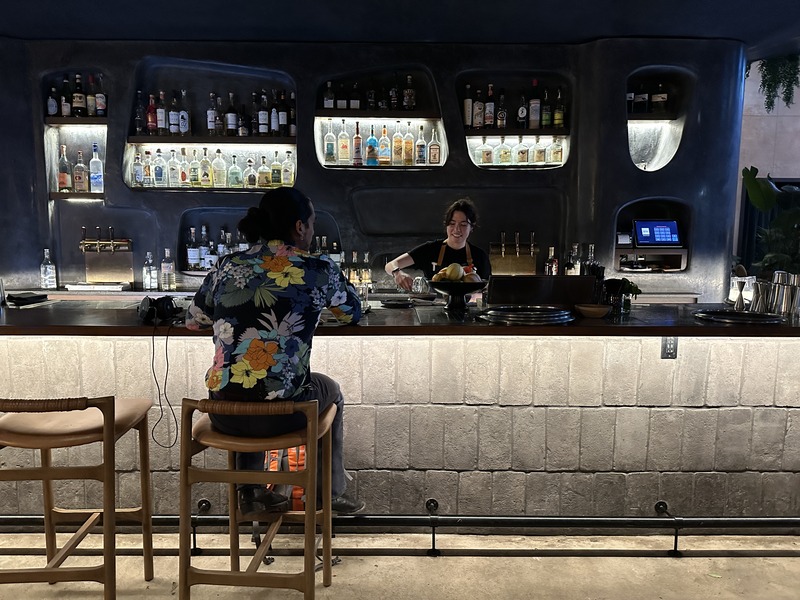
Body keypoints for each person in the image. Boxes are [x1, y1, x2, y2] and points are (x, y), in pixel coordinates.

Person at [185, 187, 365, 517]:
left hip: (224, 413)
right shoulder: (318, 268)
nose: (312, 231)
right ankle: (329, 493)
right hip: (286, 415)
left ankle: (251, 492)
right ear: (299, 227)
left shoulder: (228, 265)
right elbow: (352, 312)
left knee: (246, 385)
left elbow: (194, 319)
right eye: (311, 223)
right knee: (332, 391)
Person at [384, 197, 492, 291]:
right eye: (452, 224)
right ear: (446, 225)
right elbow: (390, 265)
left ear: (471, 227)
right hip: (432, 310)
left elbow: (487, 289)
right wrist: (397, 273)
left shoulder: (480, 256)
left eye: (463, 225)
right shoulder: (430, 249)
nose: (456, 229)